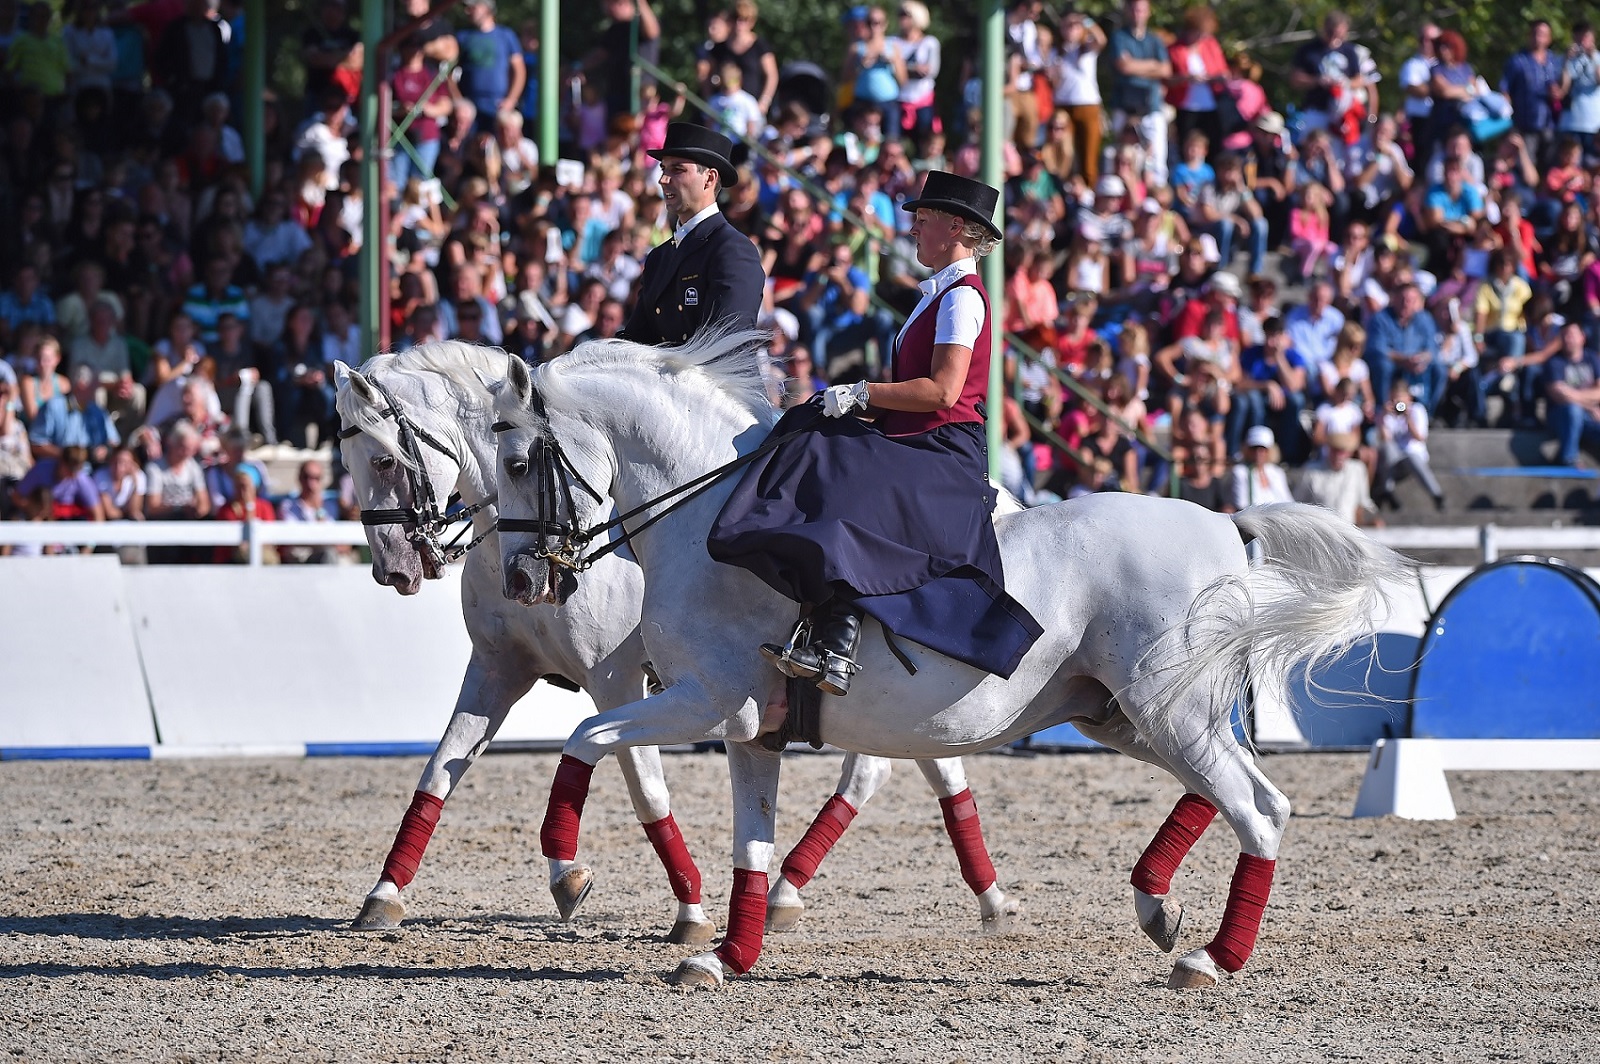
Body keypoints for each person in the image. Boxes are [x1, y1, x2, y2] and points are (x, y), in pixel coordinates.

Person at [710, 170, 1042, 699]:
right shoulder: (938, 293)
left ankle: (837, 642)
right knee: (811, 430)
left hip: (943, 450)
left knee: (832, 467)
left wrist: (864, 393)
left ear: (956, 226)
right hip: (917, 437)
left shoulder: (962, 298)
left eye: (923, 221)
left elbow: (941, 391)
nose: (912, 230)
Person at [619, 124, 764, 347]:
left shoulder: (733, 250)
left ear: (709, 179)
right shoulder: (659, 257)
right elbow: (636, 339)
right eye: (663, 168)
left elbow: (727, 342)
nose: (663, 179)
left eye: (677, 169)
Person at [1107, 0, 1171, 182]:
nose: (1138, 13)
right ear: (1128, 11)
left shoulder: (1155, 40)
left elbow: (1166, 70)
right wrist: (1152, 65)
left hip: (1151, 106)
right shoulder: (1119, 37)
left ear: (1148, 12)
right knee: (1121, 155)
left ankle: (1157, 197)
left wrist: (1134, 65)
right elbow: (1123, 67)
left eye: (1142, 10)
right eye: (1134, 9)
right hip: (1124, 105)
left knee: (1156, 157)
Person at [455, 0, 524, 135]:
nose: (467, 11)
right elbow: (448, 73)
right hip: (470, 108)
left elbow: (519, 70)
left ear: (486, 8)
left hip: (497, 106)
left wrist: (511, 99)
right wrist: (458, 100)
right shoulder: (463, 37)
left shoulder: (506, 35)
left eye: (472, 7)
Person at [1374, 379, 1445, 511]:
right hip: (1394, 460)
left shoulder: (1417, 410)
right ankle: (1387, 492)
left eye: (1400, 398)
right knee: (1387, 448)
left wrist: (1408, 418)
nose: (1397, 402)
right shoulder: (1386, 414)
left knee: (1411, 456)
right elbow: (1385, 439)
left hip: (1414, 457)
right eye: (1394, 398)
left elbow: (1420, 437)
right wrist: (1383, 416)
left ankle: (1437, 495)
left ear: (1408, 397)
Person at [1543, 321, 1600, 466]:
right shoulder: (1553, 362)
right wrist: (1589, 405)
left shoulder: (1592, 358)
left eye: (1571, 335)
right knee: (1573, 410)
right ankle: (1568, 459)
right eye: (1563, 335)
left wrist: (1574, 395)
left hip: (1588, 417)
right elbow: (1560, 395)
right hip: (1560, 416)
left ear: (1582, 337)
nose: (1567, 339)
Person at [1295, 431, 1380, 526]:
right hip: (1321, 529)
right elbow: (1297, 503)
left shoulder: (1357, 469)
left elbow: (1363, 503)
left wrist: (1371, 521)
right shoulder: (1311, 471)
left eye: (1342, 451)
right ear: (1328, 450)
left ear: (1349, 452)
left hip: (1349, 528)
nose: (1338, 455)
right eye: (1335, 450)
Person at [1229, 424, 1292, 508]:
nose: (1258, 453)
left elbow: (1288, 501)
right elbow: (1242, 505)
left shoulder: (1277, 472)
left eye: (1263, 449)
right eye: (1254, 448)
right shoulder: (1240, 472)